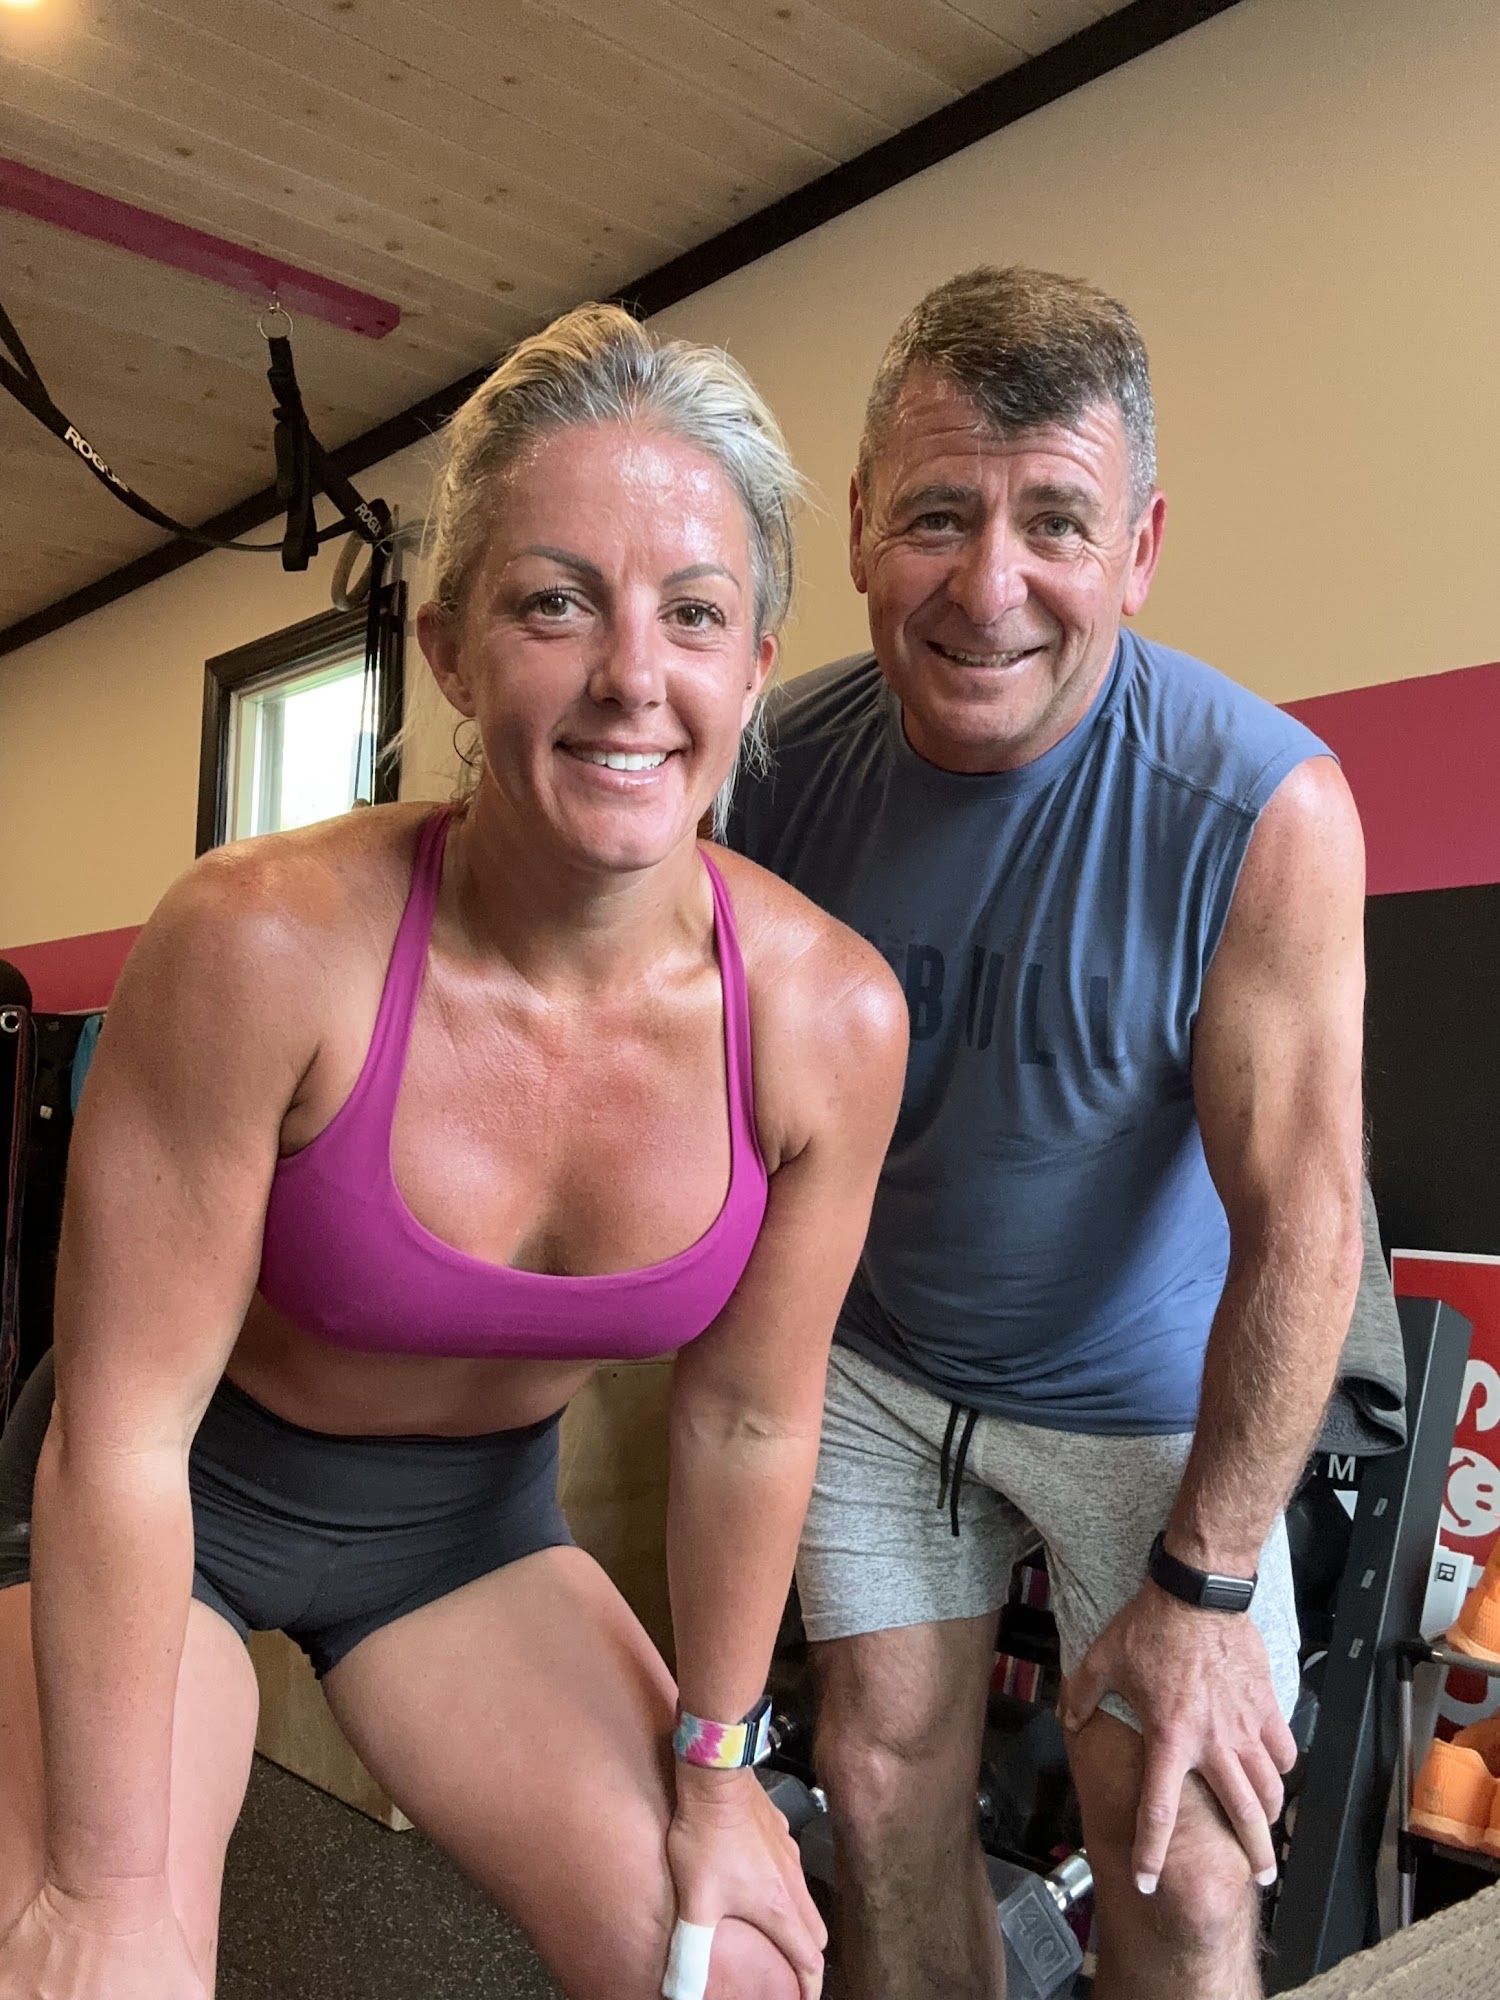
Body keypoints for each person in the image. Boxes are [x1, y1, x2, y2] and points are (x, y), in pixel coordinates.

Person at [0, 305, 908, 2000]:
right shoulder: (260, 944)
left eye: (693, 613)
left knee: (734, 1968)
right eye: (555, 602)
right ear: (450, 650)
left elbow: (750, 1419)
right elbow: (122, 1434)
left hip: (467, 1536)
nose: (633, 676)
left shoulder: (827, 1020)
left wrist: (720, 1776)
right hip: (173, 1489)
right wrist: (101, 1896)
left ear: (754, 664)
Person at [727, 267, 1366, 2000]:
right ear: (862, 527)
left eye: (1056, 523)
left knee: (1185, 1857)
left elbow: (1307, 1220)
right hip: (881, 1367)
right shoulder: (772, 779)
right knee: (877, 1795)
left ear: (1139, 548)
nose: (989, 586)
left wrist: (1208, 1588)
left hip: (1148, 1398)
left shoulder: (1261, 808)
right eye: (939, 514)